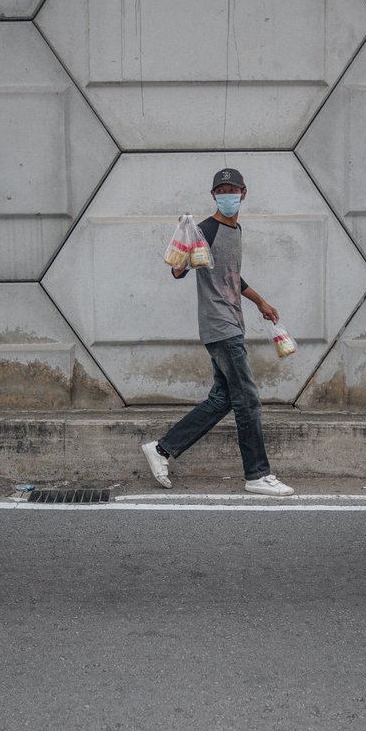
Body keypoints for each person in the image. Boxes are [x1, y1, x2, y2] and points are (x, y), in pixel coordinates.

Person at [141, 168, 294, 496]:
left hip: (230, 322)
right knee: (248, 400)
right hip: (220, 326)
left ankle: (162, 449)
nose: (227, 195)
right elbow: (178, 271)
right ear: (214, 195)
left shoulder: (236, 229)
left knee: (223, 398)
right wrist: (181, 258)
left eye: (232, 189)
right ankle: (257, 474)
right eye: (221, 190)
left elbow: (233, 277)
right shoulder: (206, 229)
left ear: (243, 193)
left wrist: (261, 303)